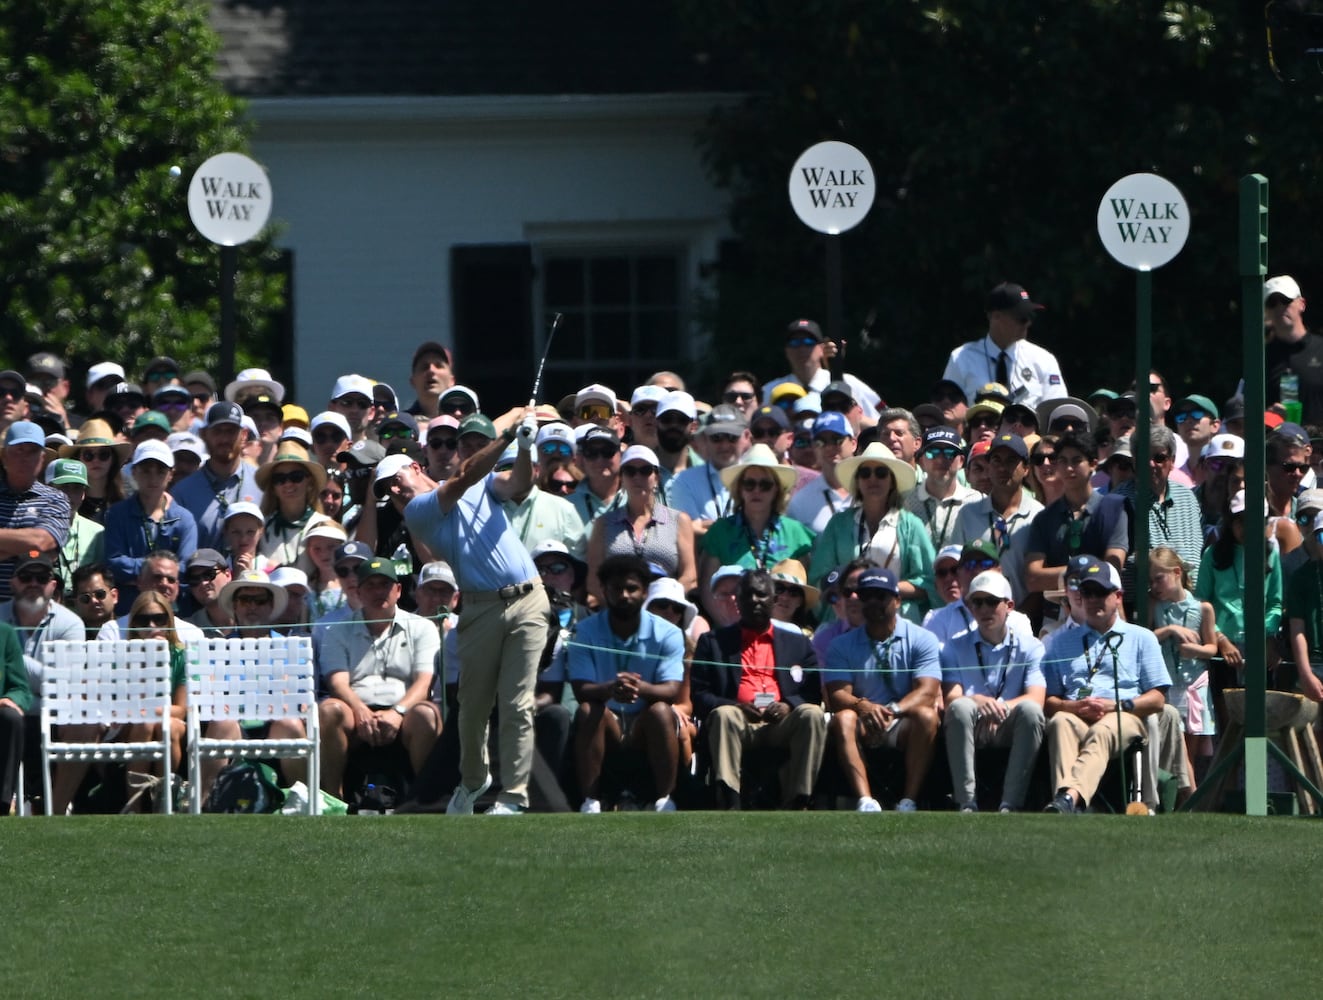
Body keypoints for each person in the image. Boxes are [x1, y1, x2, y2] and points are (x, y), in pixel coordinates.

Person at [398, 408, 549, 815]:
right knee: (473, 708)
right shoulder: (418, 511)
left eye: (396, 478)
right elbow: (464, 477)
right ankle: (472, 781)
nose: (394, 489)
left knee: (517, 702)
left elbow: (519, 483)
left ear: (416, 467)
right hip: (480, 609)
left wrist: (524, 448)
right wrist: (508, 436)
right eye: (387, 489)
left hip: (529, 598)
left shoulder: (481, 482)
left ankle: (513, 797)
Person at [1041, 556, 1171, 813]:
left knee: (1103, 730)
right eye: (1087, 593)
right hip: (1077, 715)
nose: (1092, 599)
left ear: (1118, 596)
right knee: (1060, 722)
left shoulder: (1142, 638)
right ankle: (1066, 805)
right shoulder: (1060, 642)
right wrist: (1074, 706)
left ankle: (1069, 799)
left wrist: (1116, 706)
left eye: (1100, 592)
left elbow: (1158, 698)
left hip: (1125, 716)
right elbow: (1049, 702)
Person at [690, 569, 825, 810]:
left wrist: (788, 705)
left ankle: (799, 801)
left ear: (774, 600)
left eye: (761, 595)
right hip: (738, 722)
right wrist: (737, 707)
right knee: (724, 714)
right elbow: (700, 696)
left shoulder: (799, 644)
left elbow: (812, 693)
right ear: (738, 601)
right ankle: (730, 800)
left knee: (812, 714)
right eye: (747, 595)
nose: (754, 600)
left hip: (781, 723)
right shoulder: (713, 642)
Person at [317, 557, 442, 800]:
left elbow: (424, 682)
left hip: (405, 712)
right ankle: (332, 798)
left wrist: (397, 712)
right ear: (358, 592)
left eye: (385, 584)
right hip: (355, 712)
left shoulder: (423, 627)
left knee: (428, 714)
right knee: (329, 710)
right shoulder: (337, 630)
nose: (378, 591)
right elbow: (337, 682)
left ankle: (424, 801)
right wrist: (360, 710)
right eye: (370, 585)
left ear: (398, 590)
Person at [569, 554, 684, 813]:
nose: (624, 595)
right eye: (616, 588)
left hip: (645, 721)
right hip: (607, 720)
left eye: (632, 588)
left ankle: (665, 799)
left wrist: (638, 689)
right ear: (604, 590)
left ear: (645, 592)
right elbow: (580, 689)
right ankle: (590, 801)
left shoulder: (668, 633)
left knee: (661, 711)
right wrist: (612, 688)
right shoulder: (585, 630)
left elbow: (671, 690)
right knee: (588, 709)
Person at [824, 567, 941, 812]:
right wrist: (863, 706)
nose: (872, 602)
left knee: (927, 716)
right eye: (866, 596)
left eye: (880, 595)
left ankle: (908, 801)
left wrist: (892, 711)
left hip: (902, 719)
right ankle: (865, 801)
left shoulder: (922, 638)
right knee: (843, 718)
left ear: (897, 600)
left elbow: (928, 691)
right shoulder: (840, 645)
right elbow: (837, 695)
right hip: (863, 718)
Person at [940, 571, 1046, 812]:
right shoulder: (953, 647)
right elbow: (952, 698)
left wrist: (1001, 708)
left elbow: (1037, 697)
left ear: (1009, 606)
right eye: (977, 602)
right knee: (960, 707)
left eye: (992, 601)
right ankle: (966, 802)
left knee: (1031, 711)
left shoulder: (1031, 647)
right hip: (971, 722)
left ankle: (1010, 804)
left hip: (1009, 722)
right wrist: (978, 701)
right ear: (970, 607)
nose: (984, 609)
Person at [809, 442, 936, 624]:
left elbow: (928, 582)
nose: (873, 479)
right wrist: (852, 590)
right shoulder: (838, 524)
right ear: (858, 481)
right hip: (847, 619)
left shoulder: (911, 525)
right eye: (865, 473)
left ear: (892, 481)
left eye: (881, 473)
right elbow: (820, 578)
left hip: (897, 619)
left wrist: (881, 587)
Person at [1024, 430, 1128, 626]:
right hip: (1058, 617)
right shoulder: (1044, 519)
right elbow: (1033, 578)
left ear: (1093, 464)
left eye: (1076, 460)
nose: (1068, 468)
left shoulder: (1113, 510)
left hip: (1103, 612)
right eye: (1062, 461)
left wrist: (1065, 576)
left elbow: (1112, 567)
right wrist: (1089, 571)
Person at [698, 443, 814, 611]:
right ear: (740, 489)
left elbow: (805, 593)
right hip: (732, 622)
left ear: (776, 490)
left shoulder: (797, 534)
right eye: (749, 484)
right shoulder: (720, 532)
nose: (757, 491)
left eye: (765, 485)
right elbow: (708, 593)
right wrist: (729, 624)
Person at [1148, 546, 1217, 802]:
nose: (1154, 586)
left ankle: (1186, 799)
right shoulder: (1154, 605)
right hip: (1168, 683)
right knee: (1177, 745)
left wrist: (1195, 650)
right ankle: (1191, 799)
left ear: (1177, 573)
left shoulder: (1202, 608)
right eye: (1151, 580)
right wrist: (1170, 630)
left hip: (1194, 684)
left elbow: (1212, 648)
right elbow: (1145, 637)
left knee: (1191, 749)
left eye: (1159, 579)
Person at [586, 444, 694, 605]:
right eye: (630, 471)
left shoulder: (678, 520)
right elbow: (593, 579)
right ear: (622, 478)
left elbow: (690, 576)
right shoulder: (604, 523)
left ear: (657, 477)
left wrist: (665, 600)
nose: (637, 477)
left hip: (665, 609)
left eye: (645, 471)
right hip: (618, 608)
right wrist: (618, 604)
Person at [104, 440, 198, 615]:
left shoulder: (184, 519)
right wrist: (162, 571)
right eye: (146, 470)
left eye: (160, 471)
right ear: (134, 472)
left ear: (171, 474)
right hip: (129, 608)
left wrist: (142, 573)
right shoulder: (117, 514)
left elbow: (186, 567)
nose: (153, 478)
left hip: (174, 611)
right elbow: (114, 563)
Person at [949, 432, 1043, 606]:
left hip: (1028, 614)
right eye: (996, 460)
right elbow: (955, 568)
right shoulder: (968, 514)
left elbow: (1040, 580)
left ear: (1026, 469)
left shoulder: (1038, 515)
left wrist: (1022, 615)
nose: (1002, 468)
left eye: (1011, 461)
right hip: (978, 612)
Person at [942, 281, 1066, 408]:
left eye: (1030, 316)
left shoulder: (1043, 360)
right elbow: (947, 410)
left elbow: (1057, 412)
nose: (1028, 323)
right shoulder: (962, 359)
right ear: (996, 317)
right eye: (1022, 318)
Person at [1196, 489, 1283, 669]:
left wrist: (1268, 637)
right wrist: (1220, 639)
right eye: (1240, 521)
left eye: (1254, 520)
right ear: (1230, 522)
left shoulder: (1271, 554)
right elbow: (1201, 601)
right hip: (1222, 649)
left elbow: (1275, 602)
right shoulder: (1213, 554)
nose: (1247, 527)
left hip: (1259, 647)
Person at [1115, 425, 1205, 590]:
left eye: (1159, 458)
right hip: (1141, 602)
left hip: (1190, 599)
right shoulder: (1119, 501)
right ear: (1134, 461)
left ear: (1172, 461)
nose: (1151, 464)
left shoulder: (1188, 497)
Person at [171, 401, 262, 551]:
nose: (224, 439)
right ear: (203, 434)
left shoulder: (261, 483)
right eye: (217, 431)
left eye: (231, 431)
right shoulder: (183, 493)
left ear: (244, 435)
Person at [0, 421, 70, 602]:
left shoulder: (56, 499)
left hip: (34, 608)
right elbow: (39, 550)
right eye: (19, 450)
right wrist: (27, 549)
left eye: (32, 451)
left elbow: (41, 542)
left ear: (42, 458)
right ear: (4, 456)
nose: (25, 457)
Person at [761, 319, 882, 423]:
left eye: (809, 342)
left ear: (821, 348)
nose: (802, 348)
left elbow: (882, 422)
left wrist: (850, 416)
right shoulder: (770, 390)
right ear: (786, 350)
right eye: (794, 342)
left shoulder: (847, 382)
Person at [668, 404, 750, 531]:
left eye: (732, 437)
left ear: (746, 437)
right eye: (716, 438)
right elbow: (686, 531)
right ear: (705, 438)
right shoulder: (683, 481)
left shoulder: (760, 480)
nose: (724, 445)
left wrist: (704, 525)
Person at [255, 442, 331, 568]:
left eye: (296, 477)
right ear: (273, 487)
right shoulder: (261, 529)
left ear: (310, 482)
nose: (288, 484)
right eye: (280, 478)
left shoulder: (325, 526)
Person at [904, 426, 979, 550]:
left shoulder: (977, 502)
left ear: (961, 461)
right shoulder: (905, 503)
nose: (940, 459)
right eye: (932, 453)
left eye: (949, 453)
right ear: (921, 461)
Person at [0, 550, 84, 659]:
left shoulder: (70, 624)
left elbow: (68, 669)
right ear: (12, 584)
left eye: (42, 578)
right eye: (25, 577)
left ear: (53, 586)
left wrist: (12, 659)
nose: (33, 583)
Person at [786, 411, 858, 534]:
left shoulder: (870, 487)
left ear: (853, 444)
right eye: (821, 442)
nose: (829, 447)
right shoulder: (800, 502)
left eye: (837, 440)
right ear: (814, 448)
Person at [1264, 275, 1323, 423]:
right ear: (1266, 311)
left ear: (1301, 304)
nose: (1279, 307)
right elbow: (1246, 411)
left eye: (1285, 300)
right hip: (1277, 437)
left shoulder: (1320, 349)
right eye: (1272, 303)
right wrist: (1269, 416)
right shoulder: (1261, 358)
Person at [44, 458, 105, 597]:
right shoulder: (34, 529)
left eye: (77, 488)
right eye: (64, 487)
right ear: (47, 489)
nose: (70, 495)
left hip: (84, 605)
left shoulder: (97, 532)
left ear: (84, 493)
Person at [182, 549, 234, 635]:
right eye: (194, 579)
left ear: (227, 575)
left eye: (209, 574)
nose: (203, 583)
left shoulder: (250, 614)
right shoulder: (186, 630)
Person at [405, 341, 455, 420]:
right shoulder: (402, 425)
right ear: (413, 381)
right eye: (424, 367)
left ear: (452, 380)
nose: (431, 370)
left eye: (438, 365)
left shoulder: (463, 423)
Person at [70, 563, 118, 638]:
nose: (93, 601)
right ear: (76, 603)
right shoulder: (70, 635)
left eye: (100, 594)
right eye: (85, 598)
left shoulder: (130, 630)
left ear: (114, 596)